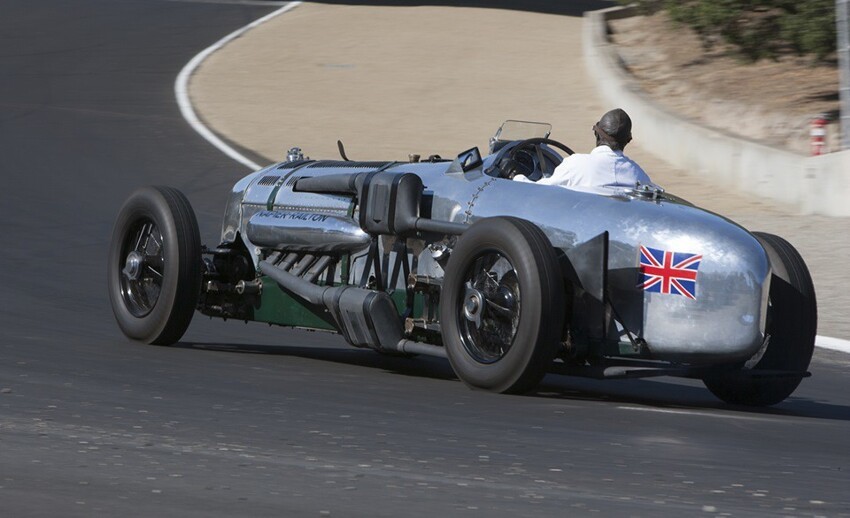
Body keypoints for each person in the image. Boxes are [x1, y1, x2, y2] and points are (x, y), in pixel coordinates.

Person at [514, 108, 654, 189]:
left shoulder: (576, 165)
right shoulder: (640, 176)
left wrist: (515, 176)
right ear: (628, 141)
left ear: (596, 134)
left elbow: (539, 190)